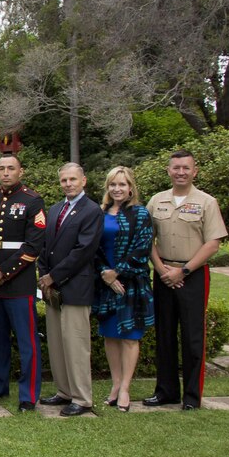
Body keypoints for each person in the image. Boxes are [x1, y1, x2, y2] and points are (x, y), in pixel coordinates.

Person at [145, 150, 227, 411]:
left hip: (192, 275)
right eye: (176, 167)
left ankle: (192, 397)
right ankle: (166, 391)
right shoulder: (157, 201)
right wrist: (160, 270)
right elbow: (147, 239)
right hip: (163, 274)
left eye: (186, 168)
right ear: (168, 171)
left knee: (193, 338)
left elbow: (213, 244)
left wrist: (184, 271)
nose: (181, 172)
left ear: (195, 171)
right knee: (164, 335)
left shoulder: (206, 202)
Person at [0, 154, 46, 411]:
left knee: (26, 340)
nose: (6, 173)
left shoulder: (32, 200)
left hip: (18, 283)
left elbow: (33, 245)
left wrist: (4, 272)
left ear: (21, 172)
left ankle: (28, 395)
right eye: (1, 168)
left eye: (11, 168)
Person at [37, 162, 104, 417]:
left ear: (83, 181)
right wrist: (44, 274)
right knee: (56, 342)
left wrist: (54, 276)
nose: (68, 184)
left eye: (73, 179)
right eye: (64, 180)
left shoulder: (91, 211)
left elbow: (83, 251)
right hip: (53, 287)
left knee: (76, 344)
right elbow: (45, 246)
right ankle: (64, 391)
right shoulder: (55, 210)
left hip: (75, 285)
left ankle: (82, 398)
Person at [92, 166, 155, 412]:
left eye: (122, 184)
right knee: (110, 335)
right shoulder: (101, 213)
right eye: (112, 185)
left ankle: (126, 388)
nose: (117, 189)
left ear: (130, 188)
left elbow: (142, 247)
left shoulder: (139, 213)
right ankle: (115, 385)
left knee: (129, 337)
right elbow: (93, 248)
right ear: (107, 187)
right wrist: (105, 274)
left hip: (131, 283)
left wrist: (117, 272)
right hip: (106, 283)